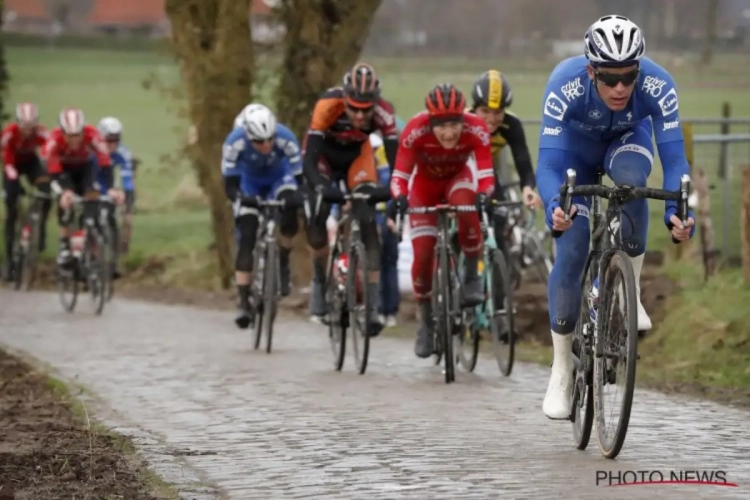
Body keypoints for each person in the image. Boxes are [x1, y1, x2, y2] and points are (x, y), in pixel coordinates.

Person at [537, 15, 696, 419]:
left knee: (631, 180)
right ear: (591, 71)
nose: (621, 87)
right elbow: (549, 165)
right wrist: (554, 205)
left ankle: (629, 293)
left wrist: (680, 210)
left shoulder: (659, 85)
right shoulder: (564, 84)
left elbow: (675, 160)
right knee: (572, 248)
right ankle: (561, 366)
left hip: (627, 142)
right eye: (609, 78)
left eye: (629, 76)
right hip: (574, 152)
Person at [390, 83, 495, 358]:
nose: (448, 133)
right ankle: (425, 318)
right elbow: (400, 175)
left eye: (454, 125)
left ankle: (471, 273)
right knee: (423, 256)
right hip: (424, 188)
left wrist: (484, 194)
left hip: (457, 180)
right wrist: (399, 197)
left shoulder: (476, 129)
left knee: (466, 204)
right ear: (429, 121)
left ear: (463, 119)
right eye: (441, 126)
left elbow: (484, 172)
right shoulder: (415, 131)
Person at [303, 62, 395, 335]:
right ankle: (320, 283)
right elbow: (309, 159)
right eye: (353, 108)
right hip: (324, 158)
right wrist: (320, 185)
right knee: (317, 216)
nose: (358, 115)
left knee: (368, 221)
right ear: (344, 99)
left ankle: (373, 304)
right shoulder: (327, 105)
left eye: (365, 110)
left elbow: (398, 161)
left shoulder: (384, 113)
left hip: (357, 157)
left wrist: (391, 190)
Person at [222, 103, 304, 329]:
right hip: (249, 184)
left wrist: (298, 197)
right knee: (247, 236)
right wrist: (240, 197)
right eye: (259, 142)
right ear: (248, 137)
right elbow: (229, 186)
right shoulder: (234, 142)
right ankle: (243, 300)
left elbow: (300, 179)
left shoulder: (287, 138)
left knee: (290, 212)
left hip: (279, 179)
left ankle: (284, 262)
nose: (266, 145)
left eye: (270, 139)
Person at [44, 108, 125, 268]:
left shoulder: (92, 135)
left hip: (84, 168)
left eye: (78, 135)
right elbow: (53, 168)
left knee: (92, 195)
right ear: (62, 132)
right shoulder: (54, 141)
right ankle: (64, 245)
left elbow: (104, 161)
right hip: (61, 171)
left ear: (83, 130)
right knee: (66, 201)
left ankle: (86, 235)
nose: (74, 140)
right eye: (70, 135)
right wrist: (65, 191)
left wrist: (110, 188)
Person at [1, 103, 51, 281]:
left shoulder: (41, 132)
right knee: (12, 210)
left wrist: (46, 163)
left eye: (32, 126)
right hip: (12, 164)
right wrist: (13, 180)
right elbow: (6, 158)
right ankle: (10, 264)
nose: (28, 131)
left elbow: (49, 146)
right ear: (18, 123)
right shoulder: (9, 133)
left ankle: (41, 227)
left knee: (46, 189)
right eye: (25, 126)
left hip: (31, 163)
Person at [96, 117, 136, 274]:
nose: (113, 144)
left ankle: (113, 264)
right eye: (108, 140)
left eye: (116, 140)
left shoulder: (122, 152)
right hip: (90, 178)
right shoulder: (93, 150)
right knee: (88, 213)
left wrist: (127, 196)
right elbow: (90, 177)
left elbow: (127, 177)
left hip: (107, 179)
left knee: (111, 220)